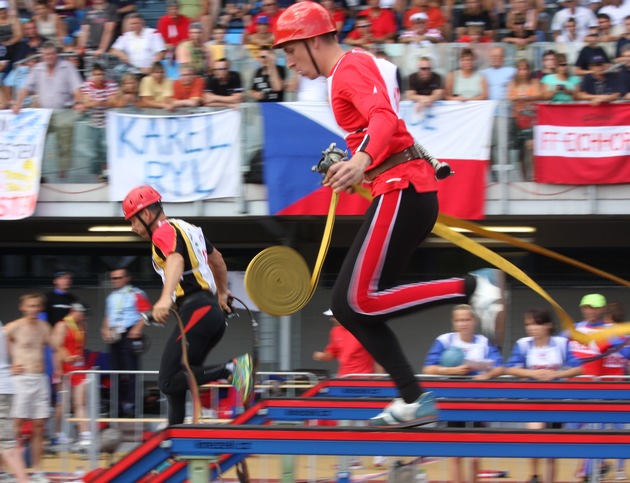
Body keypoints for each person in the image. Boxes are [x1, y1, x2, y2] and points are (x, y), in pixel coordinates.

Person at [273, 1, 506, 428]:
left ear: (312, 40)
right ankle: (414, 400)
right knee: (351, 308)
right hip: (401, 188)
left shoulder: (346, 68)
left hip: (404, 189)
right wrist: (351, 164)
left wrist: (360, 160)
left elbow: (383, 118)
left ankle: (472, 286)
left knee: (355, 300)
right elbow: (379, 125)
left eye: (290, 51)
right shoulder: (350, 69)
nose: (289, 63)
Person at [122, 185, 253, 425]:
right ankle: (177, 444)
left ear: (147, 215)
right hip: (211, 314)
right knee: (177, 384)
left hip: (197, 312)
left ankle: (232, 370)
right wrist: (222, 294)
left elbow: (175, 259)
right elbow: (218, 261)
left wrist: (164, 298)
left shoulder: (162, 232)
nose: (133, 228)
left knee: (167, 380)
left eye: (133, 221)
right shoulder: (189, 228)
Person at [423, 304, 504, 483]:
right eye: (459, 320)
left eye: (466, 319)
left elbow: (499, 366)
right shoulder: (444, 340)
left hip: (478, 402)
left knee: (476, 453)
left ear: (474, 321)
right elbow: (428, 368)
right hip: (453, 402)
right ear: (454, 322)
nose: (463, 323)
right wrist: (450, 371)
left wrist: (487, 375)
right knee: (455, 452)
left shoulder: (483, 342)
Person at [505, 308, 583, 483]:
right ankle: (533, 475)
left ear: (548, 325)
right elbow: (510, 368)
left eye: (536, 323)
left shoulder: (561, 344)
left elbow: (578, 368)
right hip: (533, 401)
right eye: (528, 324)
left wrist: (556, 375)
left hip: (557, 402)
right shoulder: (523, 344)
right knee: (535, 435)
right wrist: (532, 374)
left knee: (551, 448)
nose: (532, 328)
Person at [313, 309, 386, 469]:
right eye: (331, 316)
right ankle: (353, 459)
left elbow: (377, 355)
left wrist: (379, 380)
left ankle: (379, 454)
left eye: (334, 316)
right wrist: (322, 356)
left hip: (364, 384)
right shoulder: (335, 331)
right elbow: (332, 352)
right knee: (345, 422)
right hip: (343, 384)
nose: (332, 319)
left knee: (364, 422)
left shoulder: (362, 330)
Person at [12, 41, 82, 180]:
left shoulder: (67, 67)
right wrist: (18, 103)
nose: (48, 57)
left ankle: (63, 173)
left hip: (64, 111)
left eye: (51, 54)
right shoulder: (37, 68)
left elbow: (76, 88)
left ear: (56, 54)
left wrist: (79, 102)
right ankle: (37, 173)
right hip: (43, 114)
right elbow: (25, 88)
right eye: (46, 54)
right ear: (42, 55)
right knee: (38, 143)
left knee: (64, 144)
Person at [5, 293, 53, 483]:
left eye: (36, 306)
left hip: (39, 379)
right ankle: (5, 470)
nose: (33, 309)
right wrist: (9, 367)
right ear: (22, 307)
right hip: (20, 380)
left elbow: (56, 345)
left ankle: (37, 470)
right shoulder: (13, 327)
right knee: (14, 427)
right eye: (30, 306)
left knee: (39, 427)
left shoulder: (44, 327)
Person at [101, 268, 151, 417]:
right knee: (114, 372)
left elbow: (148, 313)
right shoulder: (110, 297)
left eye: (118, 278)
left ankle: (133, 405)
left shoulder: (136, 293)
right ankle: (117, 406)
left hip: (129, 334)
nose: (115, 281)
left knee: (131, 372)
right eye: (113, 278)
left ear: (127, 278)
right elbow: (108, 316)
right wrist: (104, 329)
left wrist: (137, 328)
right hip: (114, 334)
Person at [51, 302, 91, 451]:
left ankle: (84, 434)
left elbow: (80, 348)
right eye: (83, 314)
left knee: (80, 402)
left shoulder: (82, 326)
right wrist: (58, 370)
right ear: (75, 312)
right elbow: (56, 347)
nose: (85, 318)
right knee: (63, 403)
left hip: (79, 367)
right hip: (64, 368)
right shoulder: (61, 326)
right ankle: (57, 433)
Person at [0, 320, 30, 483]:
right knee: (5, 440)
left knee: (6, 441)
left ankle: (23, 480)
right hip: (4, 388)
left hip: (2, 390)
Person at [78, 62, 118, 181]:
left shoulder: (111, 85)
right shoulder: (87, 85)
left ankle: (107, 173)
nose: (98, 76)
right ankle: (98, 176)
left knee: (106, 148)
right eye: (96, 74)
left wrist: (95, 102)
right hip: (93, 122)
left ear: (104, 75)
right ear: (92, 75)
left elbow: (114, 102)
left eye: (101, 74)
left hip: (108, 122)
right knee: (95, 150)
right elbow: (85, 103)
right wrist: (98, 103)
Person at [507, 59, 541, 181]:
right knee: (520, 152)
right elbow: (509, 96)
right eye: (520, 69)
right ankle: (524, 179)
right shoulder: (513, 83)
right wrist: (519, 97)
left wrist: (527, 97)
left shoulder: (534, 81)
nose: (523, 72)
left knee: (531, 147)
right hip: (517, 118)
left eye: (525, 69)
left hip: (531, 118)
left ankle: (533, 176)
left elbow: (538, 94)